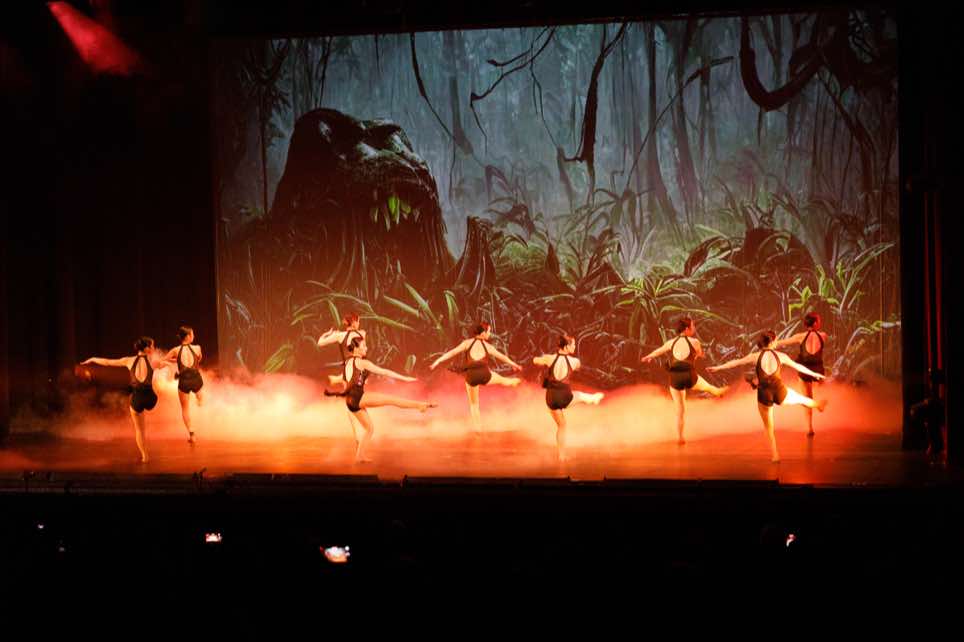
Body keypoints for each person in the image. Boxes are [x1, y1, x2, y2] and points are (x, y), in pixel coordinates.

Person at [709, 330, 828, 462]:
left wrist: (718, 368)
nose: (777, 342)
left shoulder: (755, 356)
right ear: (772, 342)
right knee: (802, 399)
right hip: (779, 391)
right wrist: (815, 374)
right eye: (776, 340)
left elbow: (736, 362)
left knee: (769, 427)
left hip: (764, 394)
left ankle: (775, 455)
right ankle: (818, 405)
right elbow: (798, 367)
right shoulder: (781, 356)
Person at [326, 337, 436, 462]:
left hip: (350, 401)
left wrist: (336, 380)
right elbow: (384, 372)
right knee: (392, 400)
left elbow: (347, 378)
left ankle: (359, 456)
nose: (366, 348)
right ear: (356, 348)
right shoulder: (363, 363)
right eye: (364, 345)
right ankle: (419, 406)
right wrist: (405, 378)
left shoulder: (348, 362)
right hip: (357, 397)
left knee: (369, 429)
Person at [641, 317, 726, 444]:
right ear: (686, 329)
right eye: (693, 326)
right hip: (689, 376)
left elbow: (659, 351)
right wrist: (699, 355)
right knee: (710, 388)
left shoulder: (671, 342)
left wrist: (649, 356)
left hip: (675, 378)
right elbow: (699, 354)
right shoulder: (695, 342)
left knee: (680, 411)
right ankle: (720, 393)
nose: (694, 328)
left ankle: (680, 438)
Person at [82, 337, 164, 463]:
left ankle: (145, 456)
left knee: (139, 430)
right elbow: (169, 362)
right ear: (147, 348)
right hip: (151, 399)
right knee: (156, 388)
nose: (154, 348)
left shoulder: (128, 360)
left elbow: (108, 362)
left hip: (137, 400)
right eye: (152, 346)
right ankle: (150, 396)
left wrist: (93, 359)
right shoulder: (154, 362)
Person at [429, 322, 522, 432]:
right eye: (488, 332)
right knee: (502, 380)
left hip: (471, 377)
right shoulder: (488, 347)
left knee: (474, 405)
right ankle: (514, 382)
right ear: (482, 333)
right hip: (485, 375)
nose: (489, 334)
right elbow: (502, 357)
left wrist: (437, 361)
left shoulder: (467, 343)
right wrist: (515, 365)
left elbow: (452, 353)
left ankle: (478, 428)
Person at [533, 334, 604, 461]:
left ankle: (561, 455)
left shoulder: (550, 358)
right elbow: (578, 367)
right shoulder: (574, 361)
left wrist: (541, 359)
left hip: (551, 398)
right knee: (579, 395)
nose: (575, 347)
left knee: (562, 425)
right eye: (573, 345)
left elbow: (535, 360)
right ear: (566, 347)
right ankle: (593, 399)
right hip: (564, 397)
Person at [771, 312, 828, 436]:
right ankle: (819, 403)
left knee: (807, 398)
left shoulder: (800, 337)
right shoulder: (823, 336)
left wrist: (769, 344)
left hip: (805, 369)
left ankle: (810, 428)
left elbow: (782, 342)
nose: (820, 322)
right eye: (819, 320)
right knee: (821, 388)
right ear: (815, 323)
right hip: (817, 370)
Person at [317, 313, 367, 443]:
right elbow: (363, 354)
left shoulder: (342, 335)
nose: (359, 323)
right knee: (355, 401)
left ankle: (359, 432)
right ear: (354, 322)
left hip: (352, 370)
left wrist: (328, 333)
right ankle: (358, 434)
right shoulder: (359, 334)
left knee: (355, 401)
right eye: (358, 321)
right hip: (355, 370)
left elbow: (320, 342)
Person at [161, 325, 203, 443]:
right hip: (196, 380)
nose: (193, 336)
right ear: (188, 336)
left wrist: (173, 362)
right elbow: (198, 360)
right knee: (200, 400)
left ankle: (192, 434)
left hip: (184, 381)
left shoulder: (175, 350)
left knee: (185, 409)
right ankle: (200, 401)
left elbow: (163, 360)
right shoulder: (197, 348)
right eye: (192, 334)